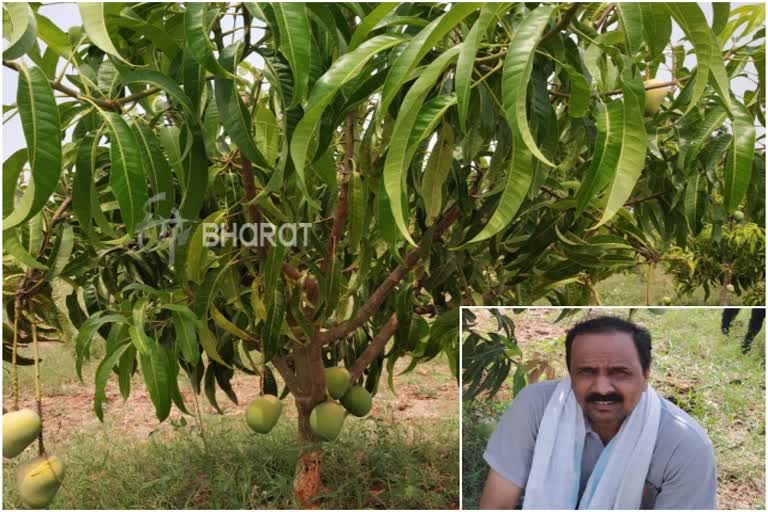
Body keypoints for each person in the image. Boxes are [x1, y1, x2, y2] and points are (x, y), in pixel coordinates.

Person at [479, 316, 717, 510]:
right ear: (570, 375)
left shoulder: (685, 445)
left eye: (619, 372)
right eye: (587, 372)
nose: (602, 388)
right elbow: (497, 504)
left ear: (646, 376)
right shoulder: (535, 406)